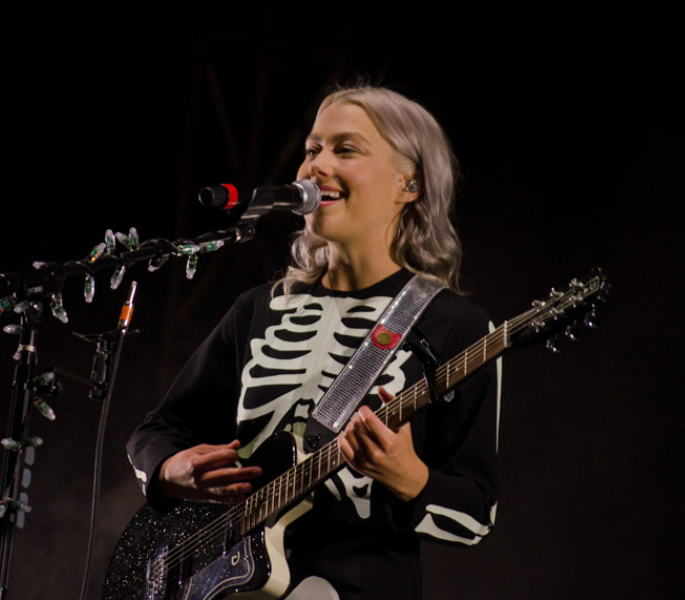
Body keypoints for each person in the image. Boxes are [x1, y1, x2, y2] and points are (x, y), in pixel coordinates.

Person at [124, 86, 501, 600]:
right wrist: (170, 470)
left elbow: (476, 514)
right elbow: (158, 430)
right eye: (312, 149)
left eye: (345, 149)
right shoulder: (258, 308)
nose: (317, 166)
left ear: (409, 183)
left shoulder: (454, 325)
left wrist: (410, 477)